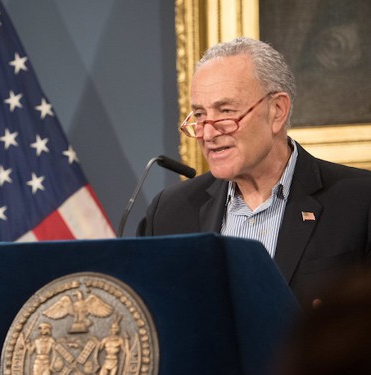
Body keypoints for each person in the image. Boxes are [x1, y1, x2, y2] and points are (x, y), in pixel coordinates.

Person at [138, 37, 371, 309]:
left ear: (277, 111)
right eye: (200, 115)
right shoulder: (170, 212)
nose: (208, 133)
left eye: (226, 111)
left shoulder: (360, 202)